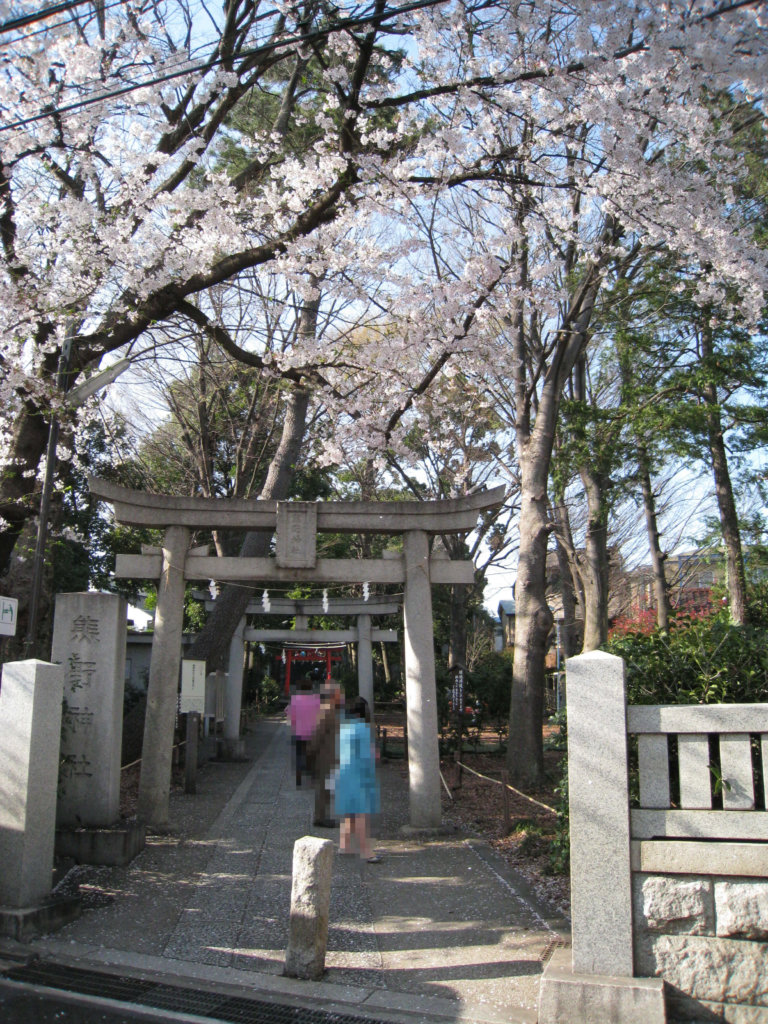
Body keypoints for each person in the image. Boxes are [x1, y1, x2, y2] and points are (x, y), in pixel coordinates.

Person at [334, 695, 381, 862]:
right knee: (361, 813)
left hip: (344, 773)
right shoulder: (363, 729)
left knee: (350, 813)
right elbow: (367, 756)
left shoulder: (345, 727)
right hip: (359, 775)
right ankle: (366, 851)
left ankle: (345, 845)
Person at [306, 680, 343, 827]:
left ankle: (323, 815)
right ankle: (320, 816)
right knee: (323, 787)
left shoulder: (331, 709)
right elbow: (318, 734)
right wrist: (310, 752)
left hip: (330, 754)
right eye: (339, 693)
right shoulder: (327, 711)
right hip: (323, 755)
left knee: (327, 787)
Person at [287, 674, 321, 787]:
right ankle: (313, 776)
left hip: (299, 732)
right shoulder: (317, 700)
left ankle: (298, 776)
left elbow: (291, 717)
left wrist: (294, 725)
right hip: (313, 732)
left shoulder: (295, 700)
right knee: (313, 754)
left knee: (299, 755)